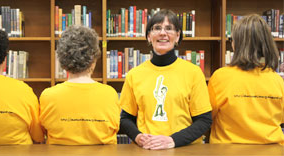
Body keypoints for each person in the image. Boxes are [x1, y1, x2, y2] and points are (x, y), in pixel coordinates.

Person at [118, 10, 213, 150]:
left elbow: (204, 120)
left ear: (178, 36)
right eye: (157, 28)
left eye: (169, 28)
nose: (163, 33)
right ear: (149, 36)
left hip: (184, 149)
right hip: (147, 150)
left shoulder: (193, 73)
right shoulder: (134, 75)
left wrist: (173, 140)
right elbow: (125, 118)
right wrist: (138, 136)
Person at [208, 15, 283, 145]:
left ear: (237, 43)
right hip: (272, 150)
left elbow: (207, 119)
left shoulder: (220, 78)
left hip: (227, 151)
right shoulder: (278, 81)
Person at [38, 26, 119, 145]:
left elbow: (43, 132)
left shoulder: (48, 96)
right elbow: (114, 129)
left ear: (62, 61)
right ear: (93, 60)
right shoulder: (110, 94)